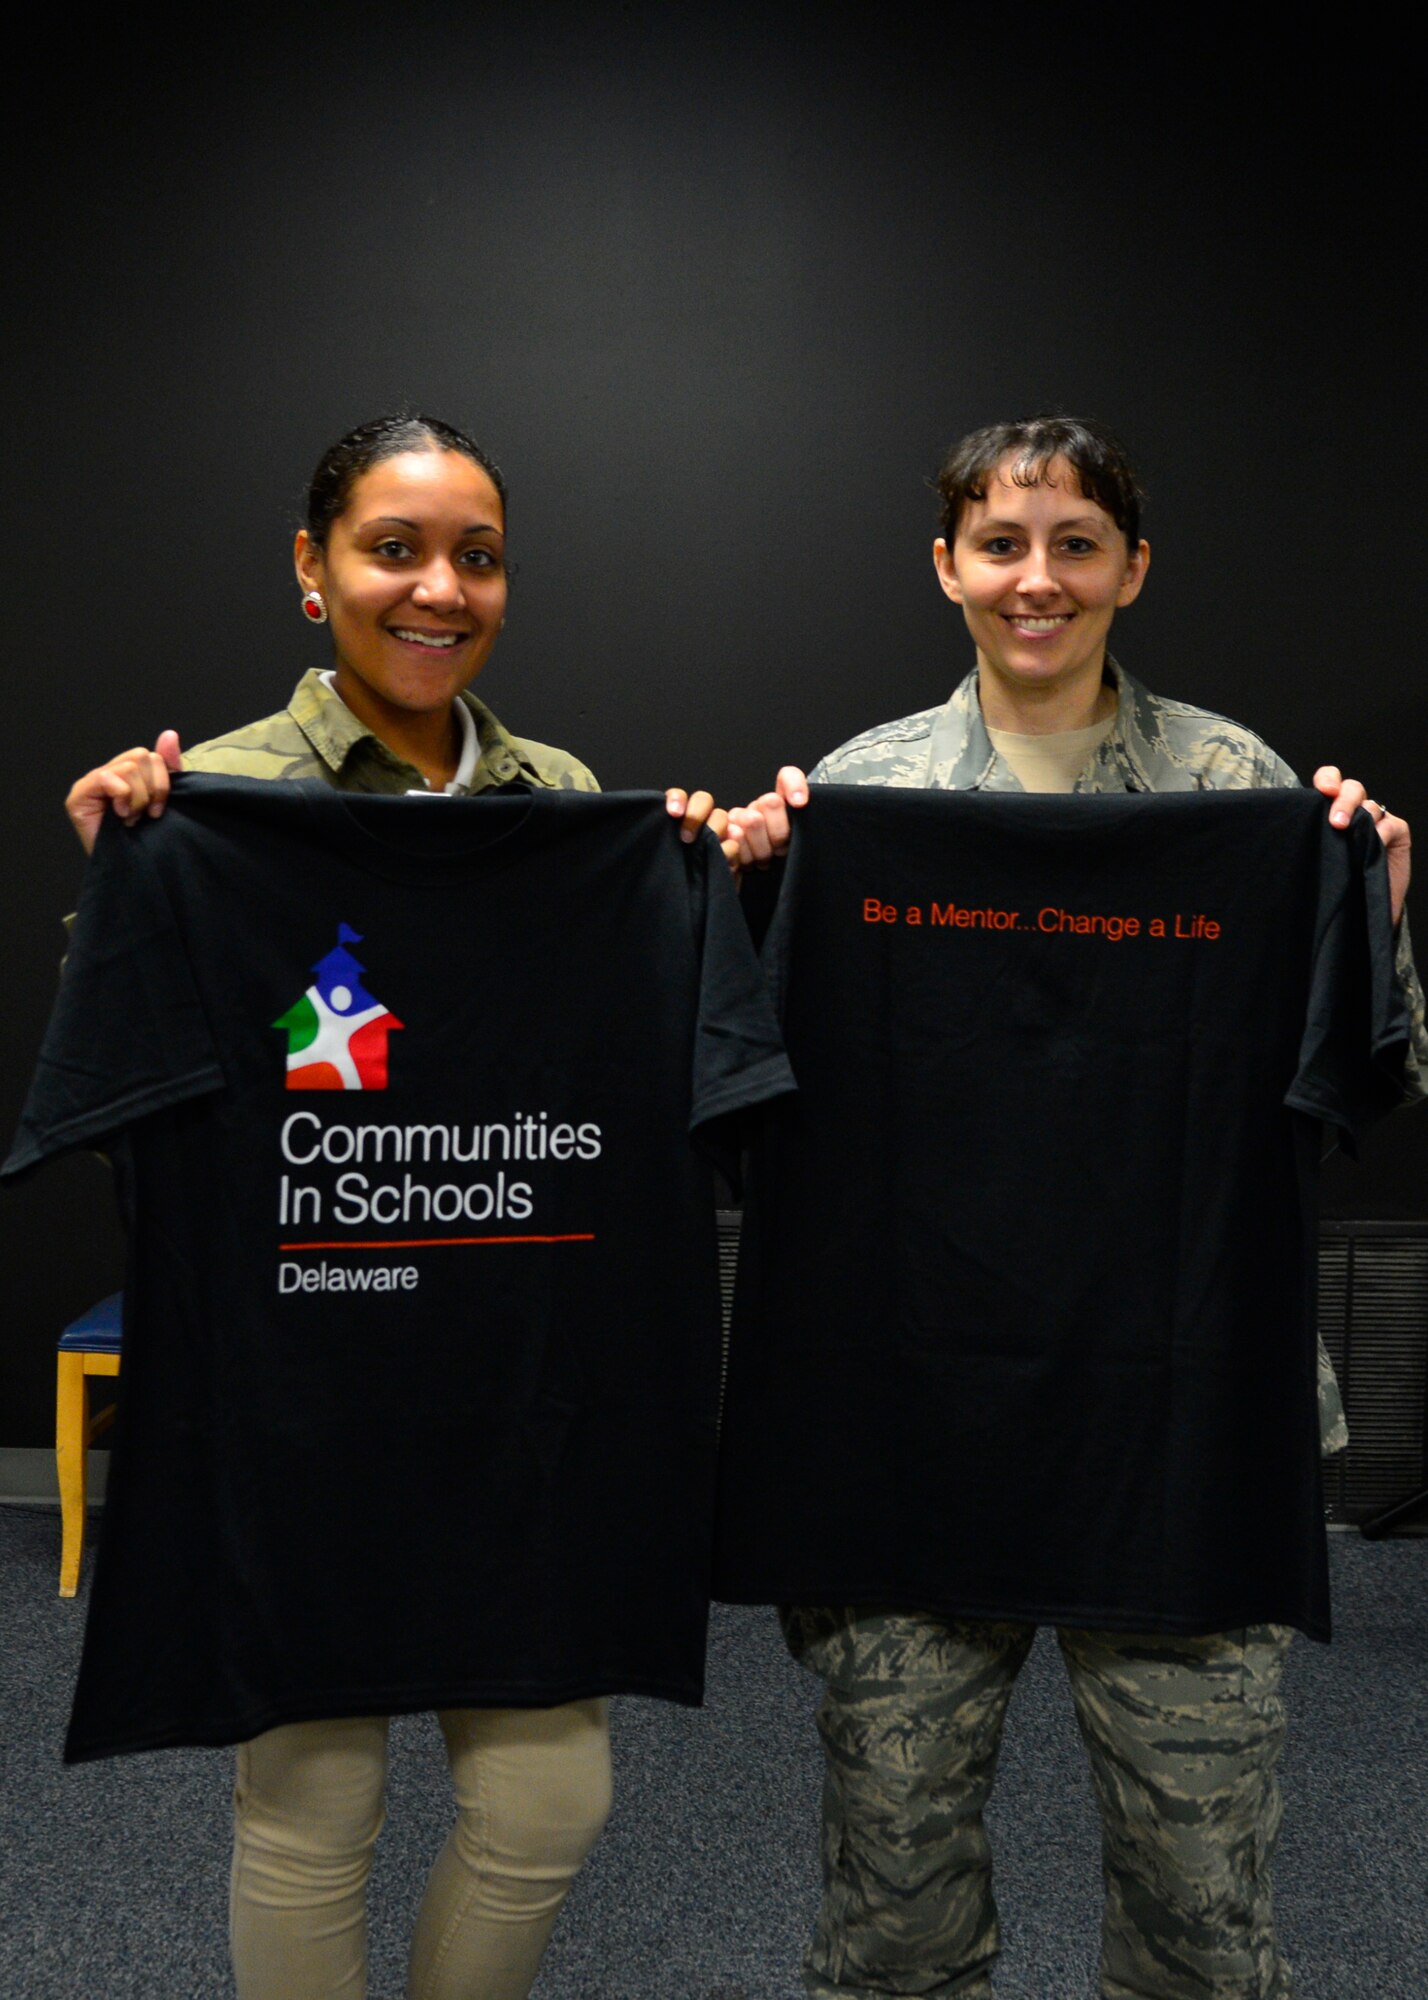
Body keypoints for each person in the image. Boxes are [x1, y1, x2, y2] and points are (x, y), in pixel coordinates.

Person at [726, 414, 1422, 2000]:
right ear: (947, 566)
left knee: (1200, 1931)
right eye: (1001, 544)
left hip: (1186, 1430)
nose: (1036, 579)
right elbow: (747, 1087)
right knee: (892, 1928)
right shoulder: (858, 797)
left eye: (1076, 544)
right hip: (915, 1430)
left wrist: (1373, 911)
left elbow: (1375, 1081)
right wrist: (763, 890)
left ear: (1132, 568)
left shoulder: (1240, 789)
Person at [63, 413, 728, 2000]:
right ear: (313, 567)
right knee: (311, 1804)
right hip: (297, 1394)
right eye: (394, 548)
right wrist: (126, 888)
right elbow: (145, 1117)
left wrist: (697, 873)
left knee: (550, 1798)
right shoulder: (206, 801)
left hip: (516, 1395)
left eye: (476, 558)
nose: (439, 589)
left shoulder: (568, 803)